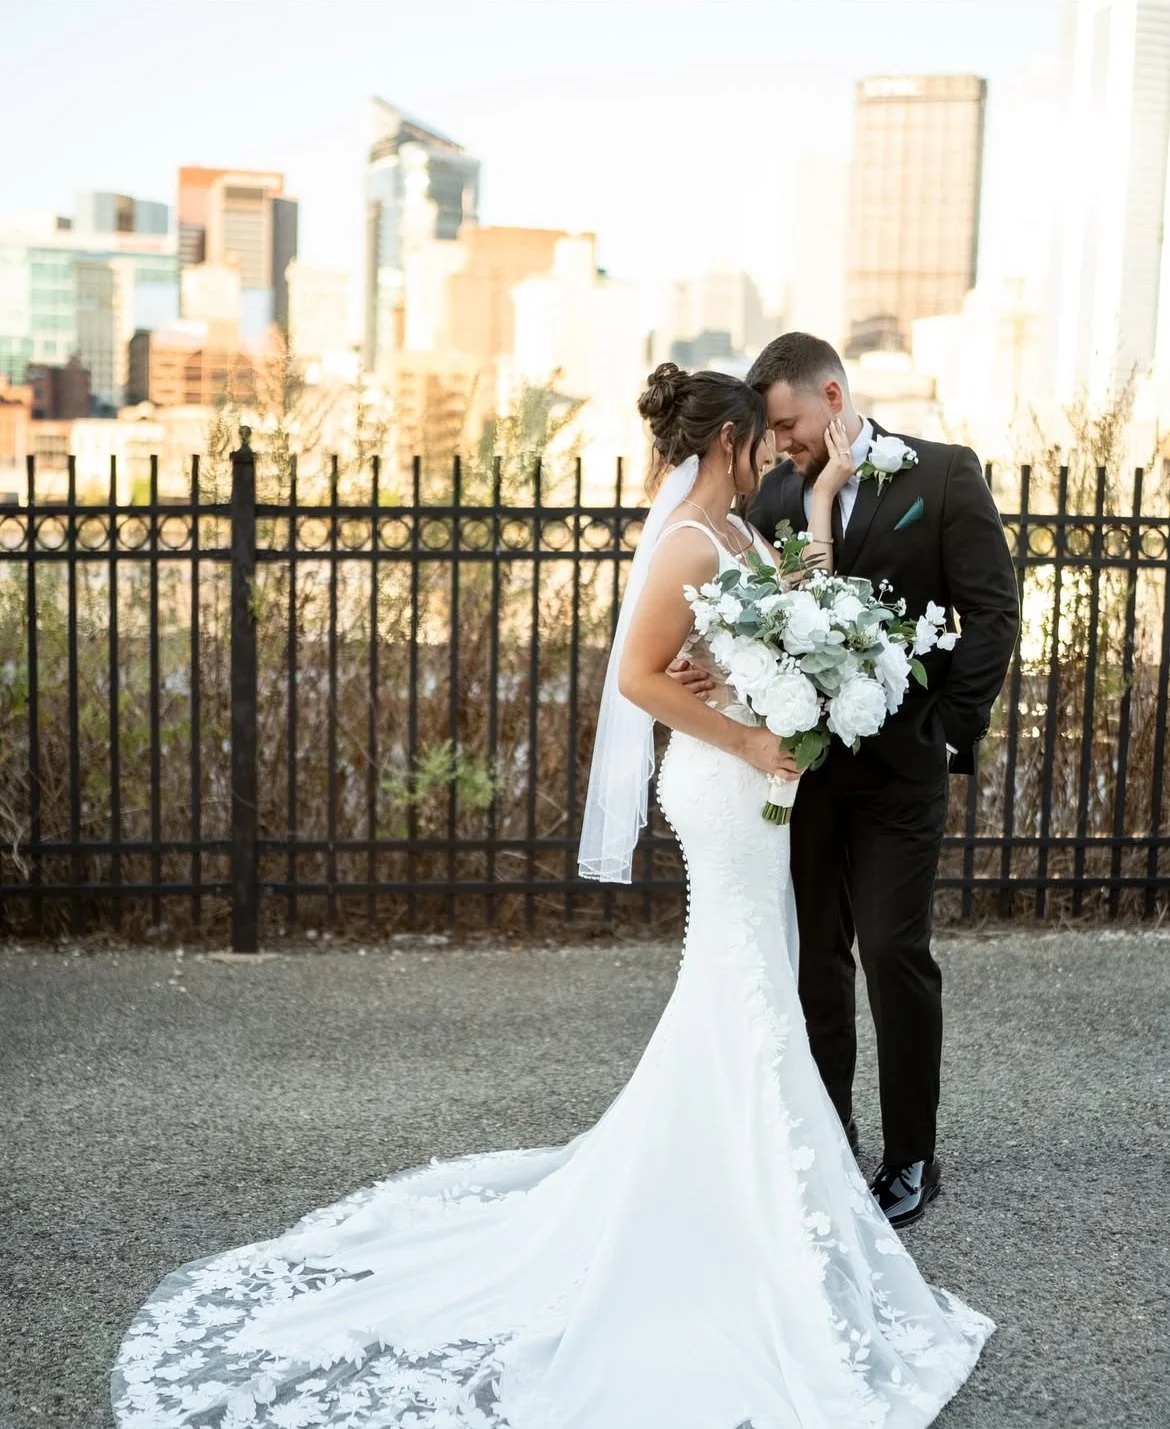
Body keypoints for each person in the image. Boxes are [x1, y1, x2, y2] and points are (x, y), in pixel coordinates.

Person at [111, 364, 993, 1429]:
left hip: (759, 783)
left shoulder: (745, 533)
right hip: (723, 784)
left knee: (758, 968)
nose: (773, 453)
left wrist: (813, 512)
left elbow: (786, 611)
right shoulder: (682, 545)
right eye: (763, 441)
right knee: (745, 972)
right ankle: (738, 1183)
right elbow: (639, 678)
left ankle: (770, 1174)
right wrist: (751, 733)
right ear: (727, 443)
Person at [674, 333, 1020, 1228]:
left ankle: (913, 1154)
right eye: (769, 431)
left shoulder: (942, 476)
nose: (779, 442)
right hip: (806, 777)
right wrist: (720, 674)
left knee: (894, 954)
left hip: (903, 773)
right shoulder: (784, 496)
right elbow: (768, 622)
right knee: (815, 963)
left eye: (786, 422)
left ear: (832, 395)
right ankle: (832, 1139)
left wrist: (948, 731)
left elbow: (992, 612)